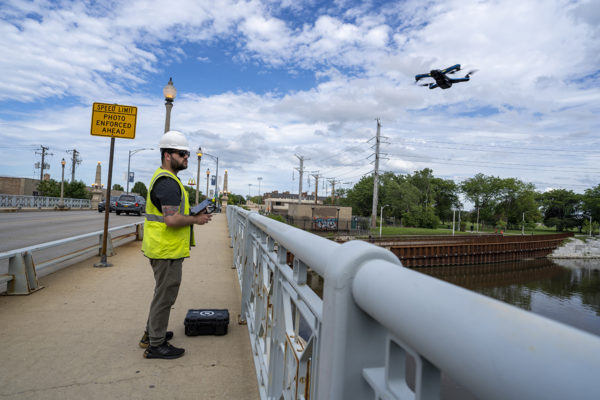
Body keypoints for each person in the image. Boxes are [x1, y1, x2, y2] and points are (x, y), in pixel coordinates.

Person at [139, 130, 212, 359]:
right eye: (182, 154)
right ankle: (156, 345)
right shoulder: (168, 183)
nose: (186, 158)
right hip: (165, 250)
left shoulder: (166, 179)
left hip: (162, 248)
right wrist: (196, 219)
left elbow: (169, 213)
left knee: (161, 294)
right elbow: (171, 220)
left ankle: (150, 335)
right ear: (168, 155)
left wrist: (190, 212)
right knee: (165, 297)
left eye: (187, 154)